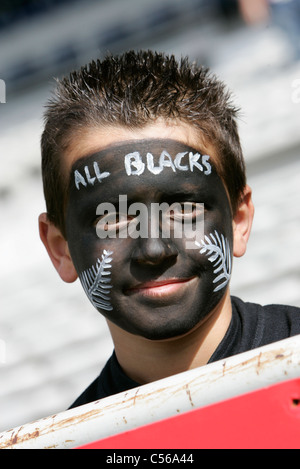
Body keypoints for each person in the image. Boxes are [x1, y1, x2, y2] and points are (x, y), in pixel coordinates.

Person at [38, 50, 300, 408]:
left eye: (183, 208)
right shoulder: (73, 442)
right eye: (113, 217)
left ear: (239, 220)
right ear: (61, 248)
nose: (154, 249)